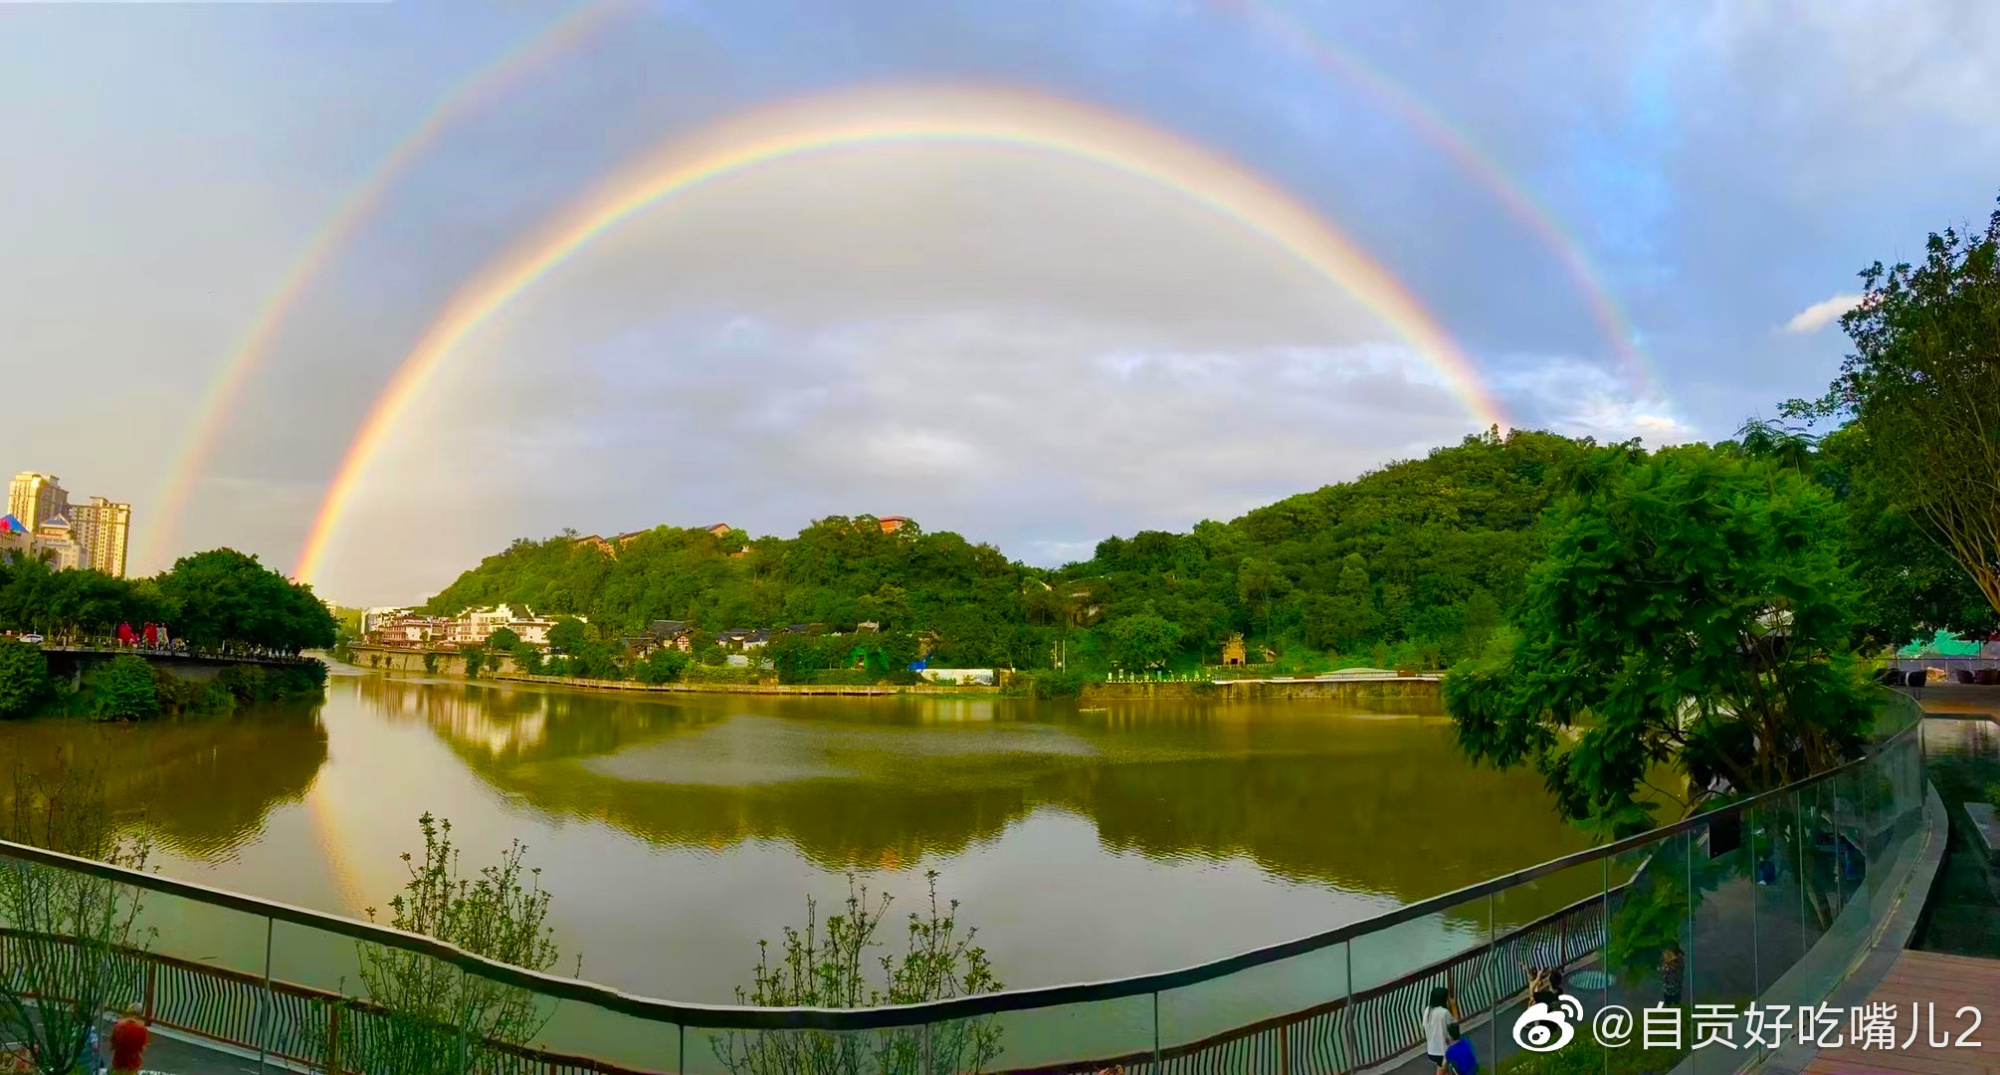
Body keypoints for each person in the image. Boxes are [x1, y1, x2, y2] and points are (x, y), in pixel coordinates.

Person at [1422, 986, 1455, 1071]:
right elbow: (1455, 1026)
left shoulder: (1427, 1010)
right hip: (1443, 1051)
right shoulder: (1444, 1013)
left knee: (1444, 1070)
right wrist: (1454, 1005)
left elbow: (1424, 1026)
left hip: (1432, 1050)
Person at [109, 1005, 149, 1075]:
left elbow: (113, 1044)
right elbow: (142, 1048)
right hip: (132, 1064)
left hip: (118, 1061)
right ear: (139, 1015)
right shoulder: (142, 1029)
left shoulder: (118, 1025)